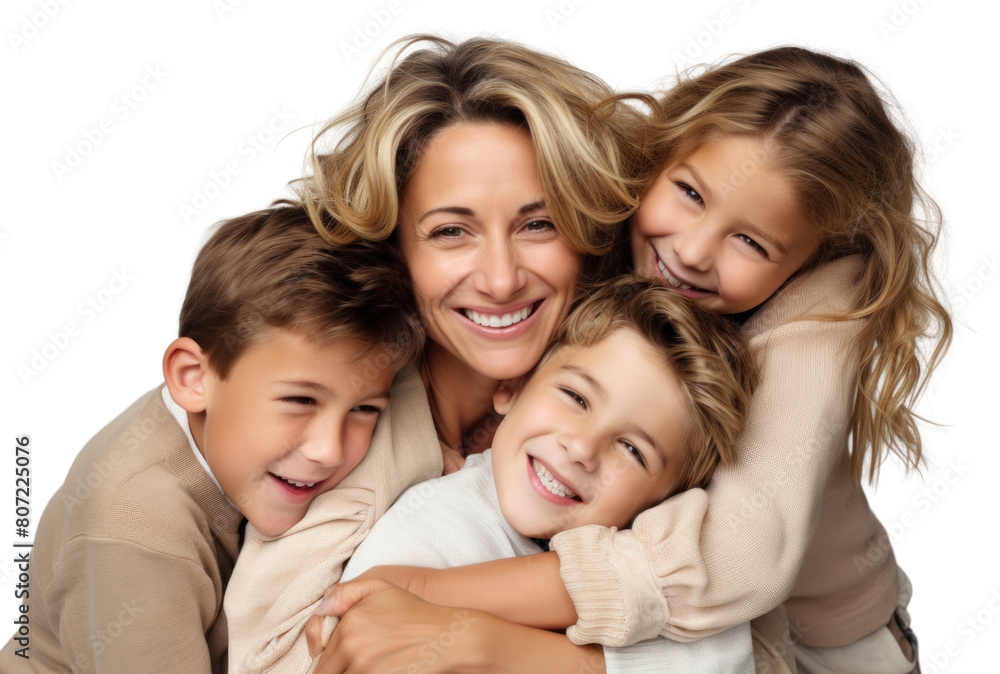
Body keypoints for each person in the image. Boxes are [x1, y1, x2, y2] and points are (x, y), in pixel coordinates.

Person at [314, 47, 952, 674]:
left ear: (812, 258)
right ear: (663, 156)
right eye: (690, 193)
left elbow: (739, 561)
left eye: (752, 241)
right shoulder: (609, 222)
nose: (694, 250)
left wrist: (425, 593)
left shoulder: (822, 315)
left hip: (830, 637)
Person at [222, 34, 651, 673]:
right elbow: (272, 659)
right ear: (394, 249)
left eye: (539, 224)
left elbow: (741, 632)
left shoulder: (637, 395)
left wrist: (505, 652)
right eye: (451, 232)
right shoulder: (341, 438)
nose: (502, 279)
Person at [0, 202, 432, 673]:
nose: (329, 449)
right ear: (192, 378)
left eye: (365, 410)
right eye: (300, 402)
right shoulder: (133, 530)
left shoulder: (234, 396)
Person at [308, 277, 760, 673]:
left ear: (667, 502)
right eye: (576, 398)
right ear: (513, 388)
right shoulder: (424, 536)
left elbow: (726, 657)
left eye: (632, 450)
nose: (582, 448)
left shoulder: (655, 577)